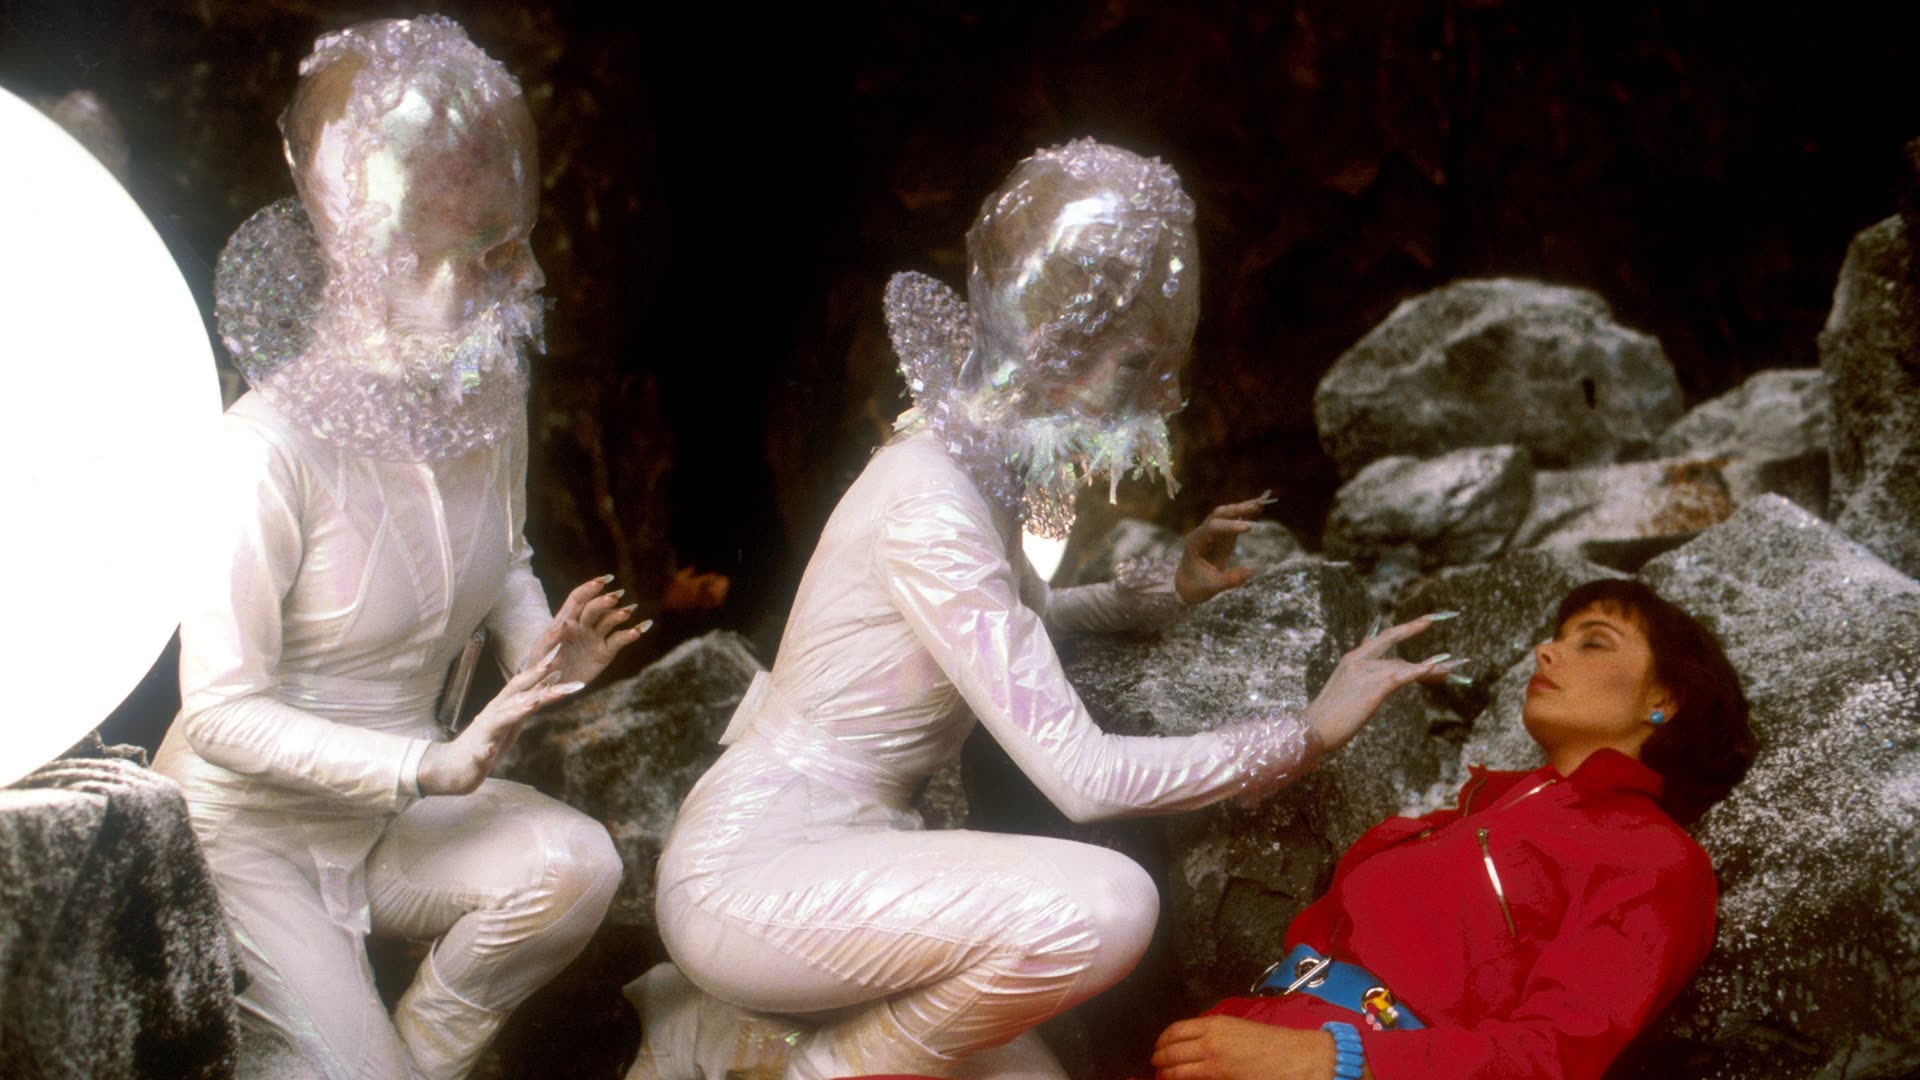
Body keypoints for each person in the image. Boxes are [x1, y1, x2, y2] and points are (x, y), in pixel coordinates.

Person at [634, 139, 1466, 1080]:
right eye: (1133, 367)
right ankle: (799, 1063)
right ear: (1054, 353)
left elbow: (1017, 622)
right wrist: (1300, 735)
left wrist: (1166, 590)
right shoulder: (930, 502)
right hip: (753, 874)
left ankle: (749, 1033)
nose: (1153, 402)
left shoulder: (972, 474)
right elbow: (1084, 778)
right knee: (1109, 906)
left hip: (860, 849)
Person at [151, 18, 641, 1079]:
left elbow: (506, 555)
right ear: (366, 255)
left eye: (510, 246)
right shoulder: (265, 450)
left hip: (394, 819)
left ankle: (413, 1059)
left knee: (577, 866)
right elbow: (219, 713)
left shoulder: (490, 394)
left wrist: (541, 651)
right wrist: (423, 763)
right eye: (466, 256)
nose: (505, 283)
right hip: (249, 839)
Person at [1149, 579, 1758, 1080]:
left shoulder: (1655, 860)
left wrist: (1331, 1059)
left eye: (1593, 643)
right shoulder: (1457, 820)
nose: (1546, 652)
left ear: (1665, 698)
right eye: (1556, 636)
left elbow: (1554, 1057)